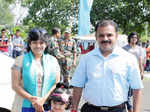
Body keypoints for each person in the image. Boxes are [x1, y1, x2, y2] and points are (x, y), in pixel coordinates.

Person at [70, 20, 143, 112]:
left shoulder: (129, 59)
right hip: (90, 109)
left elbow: (137, 88)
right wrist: (74, 109)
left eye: (109, 35)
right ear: (96, 37)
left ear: (116, 36)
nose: (105, 38)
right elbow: (78, 85)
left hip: (118, 110)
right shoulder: (86, 59)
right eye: (101, 35)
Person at [11, 28, 60, 112]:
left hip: (45, 104)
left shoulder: (53, 60)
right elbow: (15, 85)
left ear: (46, 44)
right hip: (24, 104)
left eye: (41, 43)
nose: (38, 46)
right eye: (34, 43)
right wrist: (34, 100)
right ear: (30, 44)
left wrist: (43, 100)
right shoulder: (20, 60)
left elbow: (55, 83)